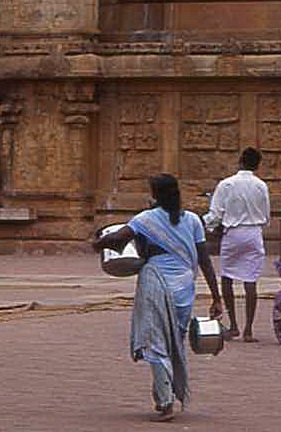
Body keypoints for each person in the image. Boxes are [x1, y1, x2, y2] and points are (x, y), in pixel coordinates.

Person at [93, 174, 224, 422]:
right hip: (185, 288)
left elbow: (118, 238)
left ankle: (165, 402)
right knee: (175, 341)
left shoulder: (145, 219)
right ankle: (164, 393)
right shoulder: (193, 220)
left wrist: (98, 243)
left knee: (155, 341)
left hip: (156, 283)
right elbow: (205, 260)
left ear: (154, 194)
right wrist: (216, 298)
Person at [205, 147, 271, 342]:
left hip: (233, 233)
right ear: (257, 165)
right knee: (251, 280)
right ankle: (248, 330)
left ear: (240, 161)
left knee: (227, 277)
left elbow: (215, 214)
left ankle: (233, 325)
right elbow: (266, 215)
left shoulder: (226, 184)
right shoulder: (261, 186)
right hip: (254, 233)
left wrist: (207, 225)